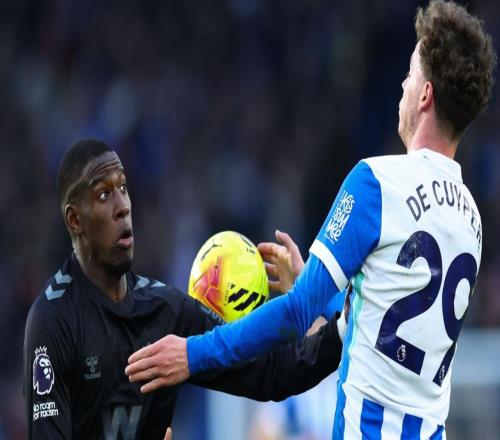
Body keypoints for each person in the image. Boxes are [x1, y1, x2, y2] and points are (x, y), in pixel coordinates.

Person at [126, 1, 497, 438]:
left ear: (425, 94)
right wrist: (317, 287)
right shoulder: (471, 219)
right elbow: (386, 329)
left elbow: (294, 313)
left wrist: (191, 354)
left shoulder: (377, 183)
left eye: (410, 72)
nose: (402, 83)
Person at [23, 138, 346, 439]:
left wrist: (341, 321)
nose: (123, 206)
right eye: (104, 195)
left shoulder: (164, 311)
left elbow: (276, 372)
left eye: (123, 188)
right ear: (75, 220)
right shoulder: (54, 320)